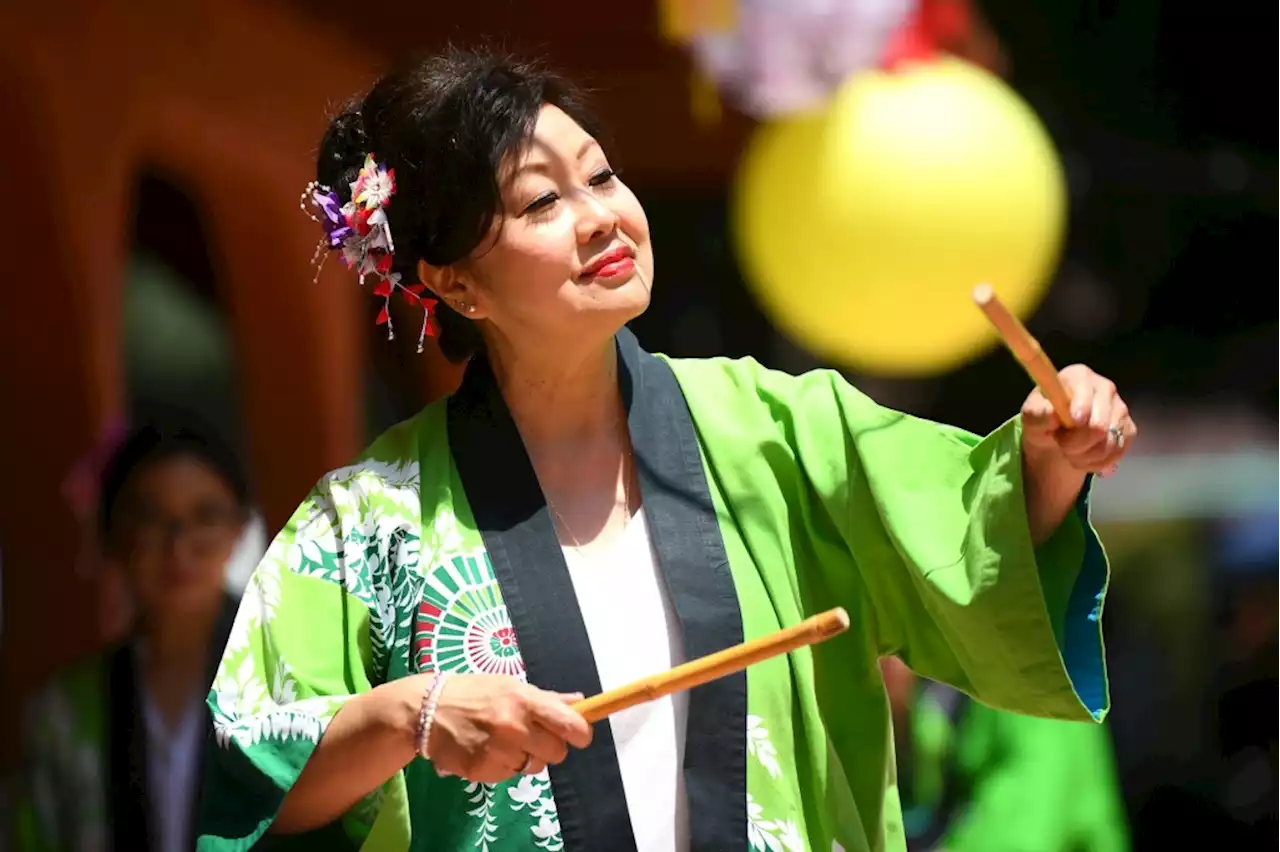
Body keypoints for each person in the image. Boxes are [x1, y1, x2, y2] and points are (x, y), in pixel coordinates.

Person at [196, 47, 1136, 852]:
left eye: (601, 177)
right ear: (456, 283)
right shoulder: (368, 520)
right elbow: (252, 767)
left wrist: (1054, 454)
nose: (601, 216)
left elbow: (973, 534)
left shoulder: (773, 427)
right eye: (540, 204)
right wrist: (416, 714)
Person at [10, 424, 250, 852]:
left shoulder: (291, 688)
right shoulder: (61, 714)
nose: (179, 547)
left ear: (239, 529)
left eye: (205, 516)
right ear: (113, 537)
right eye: (153, 519)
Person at [882, 657, 1130, 852]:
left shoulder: (1035, 670)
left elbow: (1027, 832)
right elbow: (928, 790)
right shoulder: (961, 678)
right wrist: (899, 719)